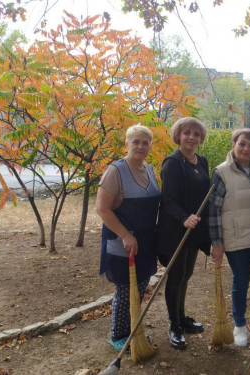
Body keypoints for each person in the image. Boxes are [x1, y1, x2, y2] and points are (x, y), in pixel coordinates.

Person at [96, 124, 161, 352]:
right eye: (136, 142)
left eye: (146, 142)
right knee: (125, 289)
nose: (141, 146)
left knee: (140, 286)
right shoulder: (116, 170)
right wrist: (125, 235)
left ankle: (134, 330)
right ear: (127, 144)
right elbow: (102, 209)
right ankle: (119, 335)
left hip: (145, 241)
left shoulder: (150, 170)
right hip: (122, 241)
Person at [209, 128, 250, 347]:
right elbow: (213, 210)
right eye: (242, 144)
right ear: (233, 144)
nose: (246, 149)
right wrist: (217, 242)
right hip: (236, 239)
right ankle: (239, 326)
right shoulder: (221, 172)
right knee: (241, 282)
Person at [155, 117, 211, 350]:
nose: (191, 137)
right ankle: (174, 325)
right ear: (178, 135)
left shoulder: (202, 162)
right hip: (175, 230)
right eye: (187, 132)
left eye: (196, 134)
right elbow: (168, 200)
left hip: (194, 229)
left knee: (186, 275)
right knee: (176, 277)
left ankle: (182, 317)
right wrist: (183, 217)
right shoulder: (173, 163)